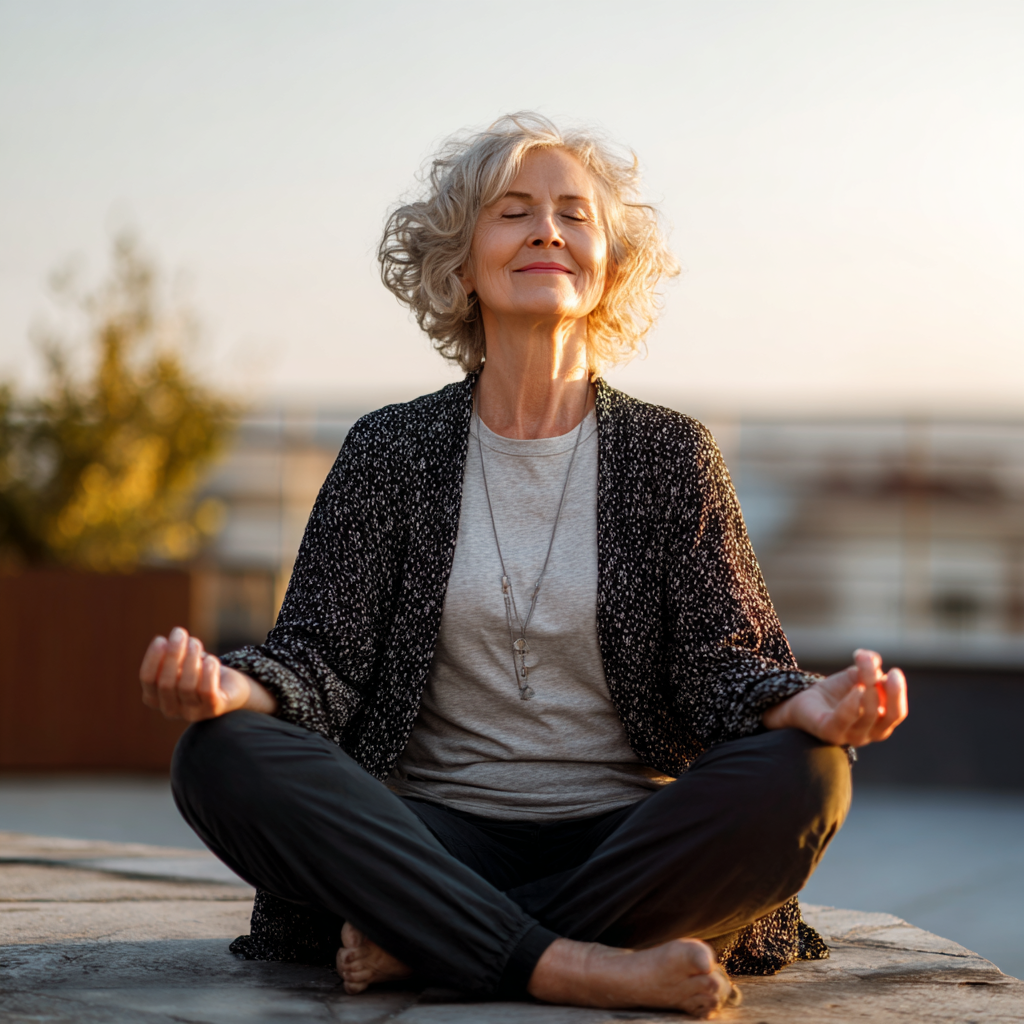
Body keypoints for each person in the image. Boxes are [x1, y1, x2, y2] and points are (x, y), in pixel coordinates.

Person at [141, 112, 908, 1018]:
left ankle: (440, 942)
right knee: (220, 757)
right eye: (513, 212)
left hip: (627, 840)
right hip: (429, 835)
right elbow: (324, 659)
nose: (548, 228)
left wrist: (805, 704)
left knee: (808, 775)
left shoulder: (673, 456)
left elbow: (721, 664)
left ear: (608, 267)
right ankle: (583, 966)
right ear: (460, 266)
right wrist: (232, 693)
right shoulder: (390, 450)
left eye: (574, 214)